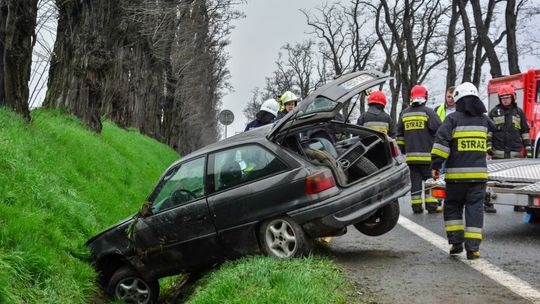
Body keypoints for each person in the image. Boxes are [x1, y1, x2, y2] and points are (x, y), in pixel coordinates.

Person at [431, 82, 491, 260]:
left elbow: (441, 144)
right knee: (475, 210)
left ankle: (456, 244)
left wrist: (435, 166)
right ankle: (473, 249)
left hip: (456, 178)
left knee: (452, 208)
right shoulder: (484, 120)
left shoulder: (452, 120)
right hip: (479, 177)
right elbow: (490, 142)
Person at [397, 85, 442, 214]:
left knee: (415, 183)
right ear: (425, 97)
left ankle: (416, 207)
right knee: (430, 182)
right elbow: (439, 130)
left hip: (411, 158)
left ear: (412, 97)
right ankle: (431, 206)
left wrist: (403, 152)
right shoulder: (428, 112)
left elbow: (399, 136)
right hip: (428, 157)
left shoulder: (404, 114)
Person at [487, 84, 531, 212]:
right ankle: (489, 202)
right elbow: (488, 131)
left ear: (513, 97)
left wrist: (528, 148)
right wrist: (488, 146)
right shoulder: (494, 112)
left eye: (507, 97)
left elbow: (525, 131)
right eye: (502, 97)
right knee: (493, 179)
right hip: (498, 152)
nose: (505, 100)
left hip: (515, 152)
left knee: (518, 179)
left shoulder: (519, 112)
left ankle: (518, 203)